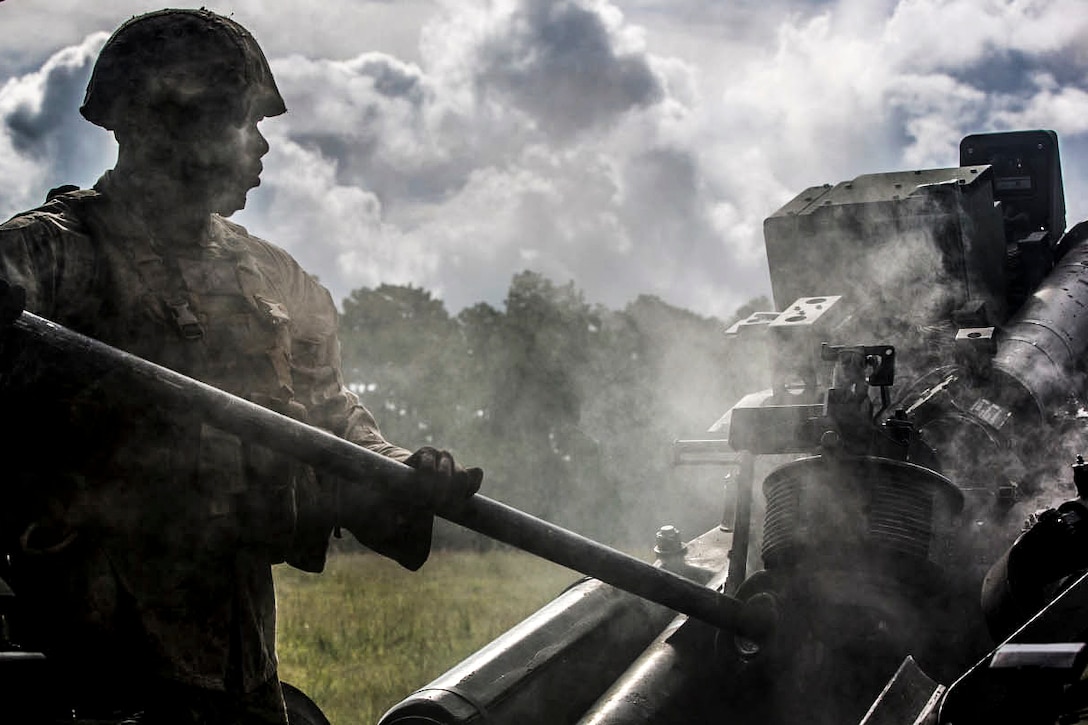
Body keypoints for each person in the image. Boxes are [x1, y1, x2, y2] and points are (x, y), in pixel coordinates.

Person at [0, 8, 481, 724]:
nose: (260, 147)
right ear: (166, 124)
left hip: (242, 666)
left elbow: (330, 417)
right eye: (243, 121)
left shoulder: (272, 279)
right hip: (95, 671)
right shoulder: (59, 253)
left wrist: (401, 471)